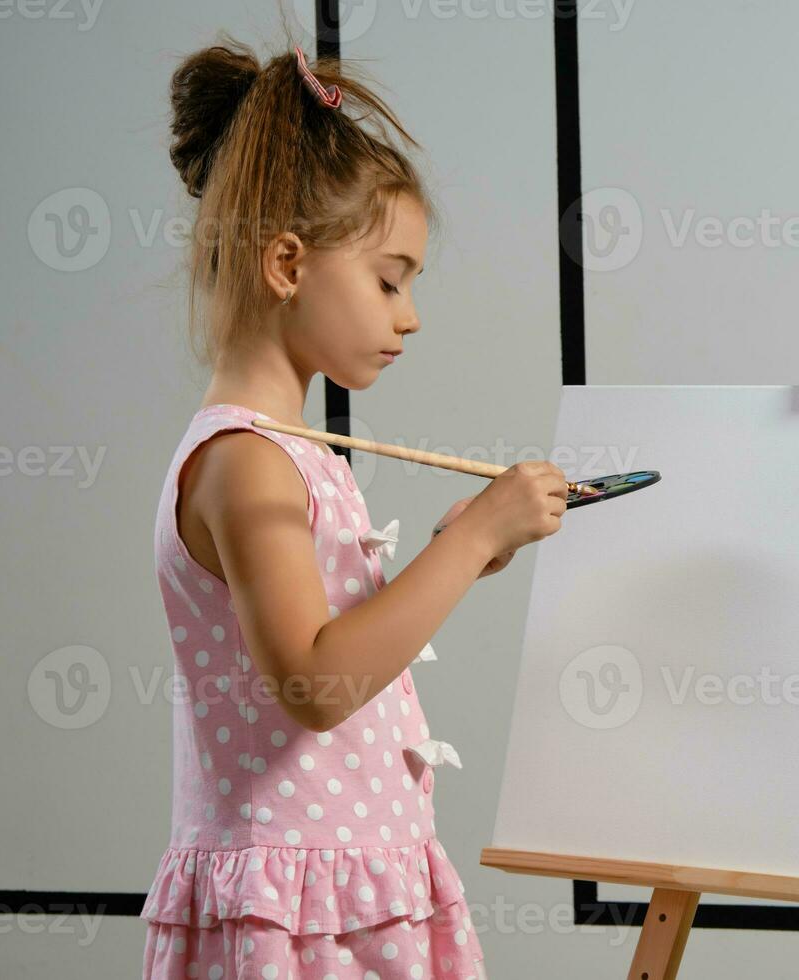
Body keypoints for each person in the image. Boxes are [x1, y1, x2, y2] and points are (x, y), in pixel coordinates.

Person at [140, 33, 565, 979]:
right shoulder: (247, 463)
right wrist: (474, 542)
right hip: (297, 916)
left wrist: (462, 549)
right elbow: (316, 686)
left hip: (346, 891)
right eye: (389, 278)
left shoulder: (286, 451)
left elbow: (341, 643)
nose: (409, 313)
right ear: (288, 264)